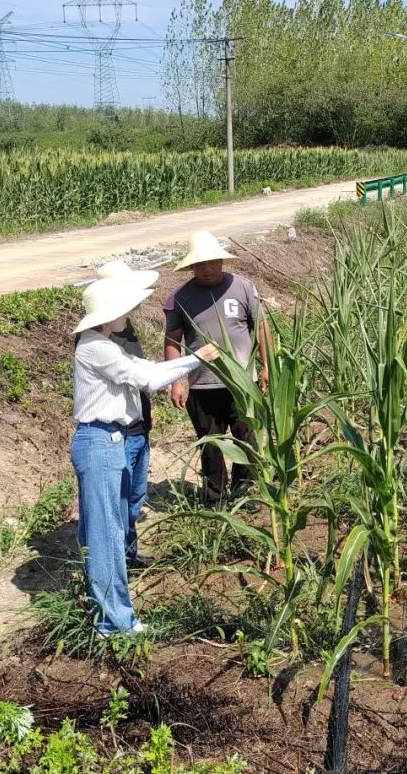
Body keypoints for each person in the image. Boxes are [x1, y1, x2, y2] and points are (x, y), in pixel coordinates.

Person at [71, 276, 219, 637]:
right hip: (100, 441)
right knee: (107, 535)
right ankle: (115, 623)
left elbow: (150, 370)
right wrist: (196, 359)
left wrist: (190, 360)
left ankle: (107, 611)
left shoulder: (104, 343)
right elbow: (148, 379)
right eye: (125, 307)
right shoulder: (95, 347)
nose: (131, 311)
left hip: (110, 441)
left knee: (110, 529)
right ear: (110, 313)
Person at [163, 230, 271, 505]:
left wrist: (267, 366)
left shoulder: (243, 287)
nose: (207, 269)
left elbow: (261, 327)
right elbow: (172, 341)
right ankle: (215, 500)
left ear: (222, 262)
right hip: (203, 384)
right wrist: (176, 380)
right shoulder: (179, 298)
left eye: (211, 262)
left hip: (242, 383)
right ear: (190, 267)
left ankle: (244, 493)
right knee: (211, 444)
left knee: (246, 438)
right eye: (199, 264)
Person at [94, 260, 159, 570]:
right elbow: (141, 377)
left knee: (134, 499)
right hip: (119, 432)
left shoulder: (123, 326)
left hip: (138, 426)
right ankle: (117, 561)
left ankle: (129, 555)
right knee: (120, 504)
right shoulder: (98, 338)